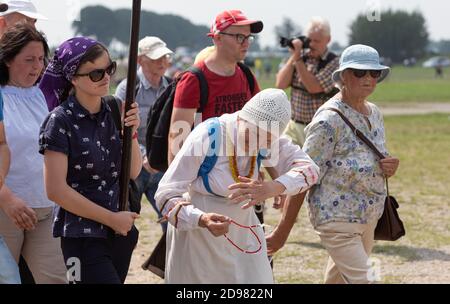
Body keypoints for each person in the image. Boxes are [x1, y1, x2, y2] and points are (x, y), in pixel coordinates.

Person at [155, 88, 319, 283]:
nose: (258, 144)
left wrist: (274, 187)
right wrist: (201, 219)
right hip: (199, 234)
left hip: (243, 230)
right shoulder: (209, 136)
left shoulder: (269, 138)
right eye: (252, 136)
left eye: (266, 140)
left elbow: (311, 170)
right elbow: (166, 193)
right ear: (242, 118)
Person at [267, 45, 400, 284]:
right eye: (360, 72)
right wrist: (282, 232)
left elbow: (374, 157)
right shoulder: (328, 120)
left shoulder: (374, 113)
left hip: (368, 216)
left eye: (374, 73)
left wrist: (387, 166)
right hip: (337, 219)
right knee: (366, 280)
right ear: (344, 76)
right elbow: (304, 176)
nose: (368, 78)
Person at [38, 37, 142, 284]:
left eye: (110, 69)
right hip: (81, 238)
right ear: (73, 78)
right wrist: (110, 218)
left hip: (119, 233)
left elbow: (133, 171)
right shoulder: (59, 121)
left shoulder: (115, 108)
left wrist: (133, 132)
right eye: (96, 73)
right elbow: (55, 190)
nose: (106, 77)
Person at [0, 23, 66, 284]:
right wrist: (6, 198)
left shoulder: (43, 96)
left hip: (47, 207)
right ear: (6, 59)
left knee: (57, 279)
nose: (37, 66)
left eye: (40, 59)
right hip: (6, 208)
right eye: (28, 59)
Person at [168, 9, 263, 165]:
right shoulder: (193, 79)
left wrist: (259, 167)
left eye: (248, 37)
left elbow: (260, 123)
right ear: (218, 38)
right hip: (205, 176)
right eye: (240, 37)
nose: (246, 43)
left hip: (242, 171)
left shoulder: (247, 75)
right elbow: (178, 136)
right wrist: (176, 186)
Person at [115, 36, 173, 232]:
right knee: (125, 222)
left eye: (165, 57)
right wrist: (142, 155)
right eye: (156, 58)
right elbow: (118, 127)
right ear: (140, 60)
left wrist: (158, 157)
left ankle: (165, 262)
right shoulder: (128, 88)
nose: (163, 62)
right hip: (134, 167)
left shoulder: (173, 87)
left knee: (173, 219)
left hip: (162, 165)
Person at [276, 17, 339, 147]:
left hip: (320, 127)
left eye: (317, 41)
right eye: (309, 40)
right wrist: (294, 56)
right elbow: (280, 84)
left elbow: (314, 87)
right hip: (293, 125)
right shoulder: (299, 58)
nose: (312, 45)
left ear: (328, 40)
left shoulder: (334, 62)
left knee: (313, 166)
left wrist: (298, 60)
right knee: (287, 164)